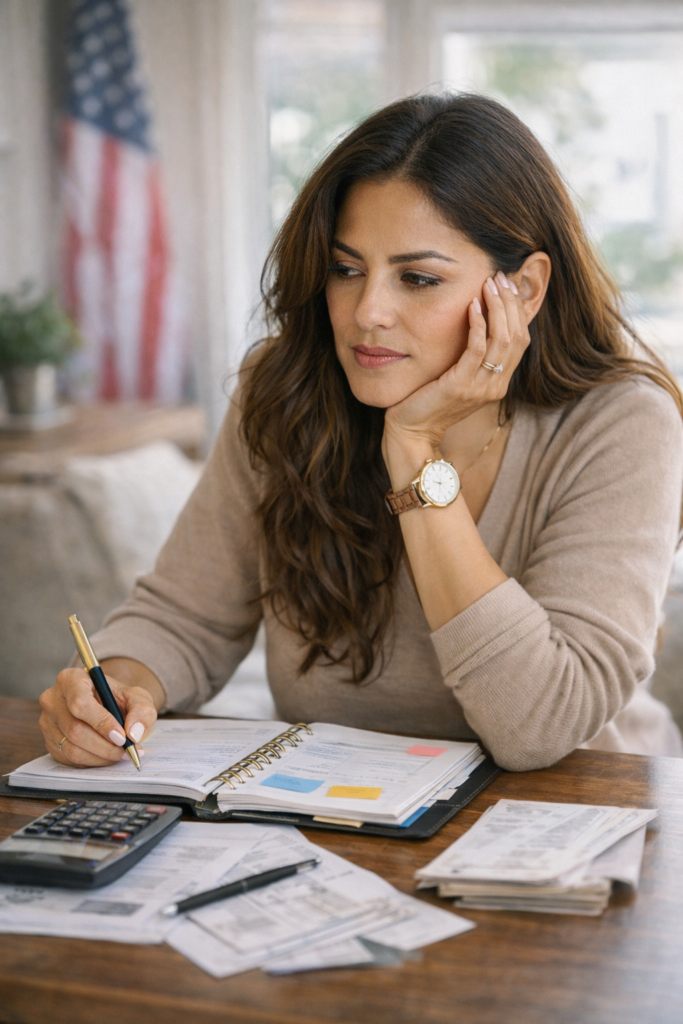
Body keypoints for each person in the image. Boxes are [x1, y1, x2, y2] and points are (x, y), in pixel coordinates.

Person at [39, 93, 683, 772]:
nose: (366, 312)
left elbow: (537, 726)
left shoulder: (620, 423)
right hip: (338, 824)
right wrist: (114, 686)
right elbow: (185, 617)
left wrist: (412, 448)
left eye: (417, 278)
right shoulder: (284, 390)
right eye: (346, 270)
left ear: (521, 291)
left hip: (574, 826)